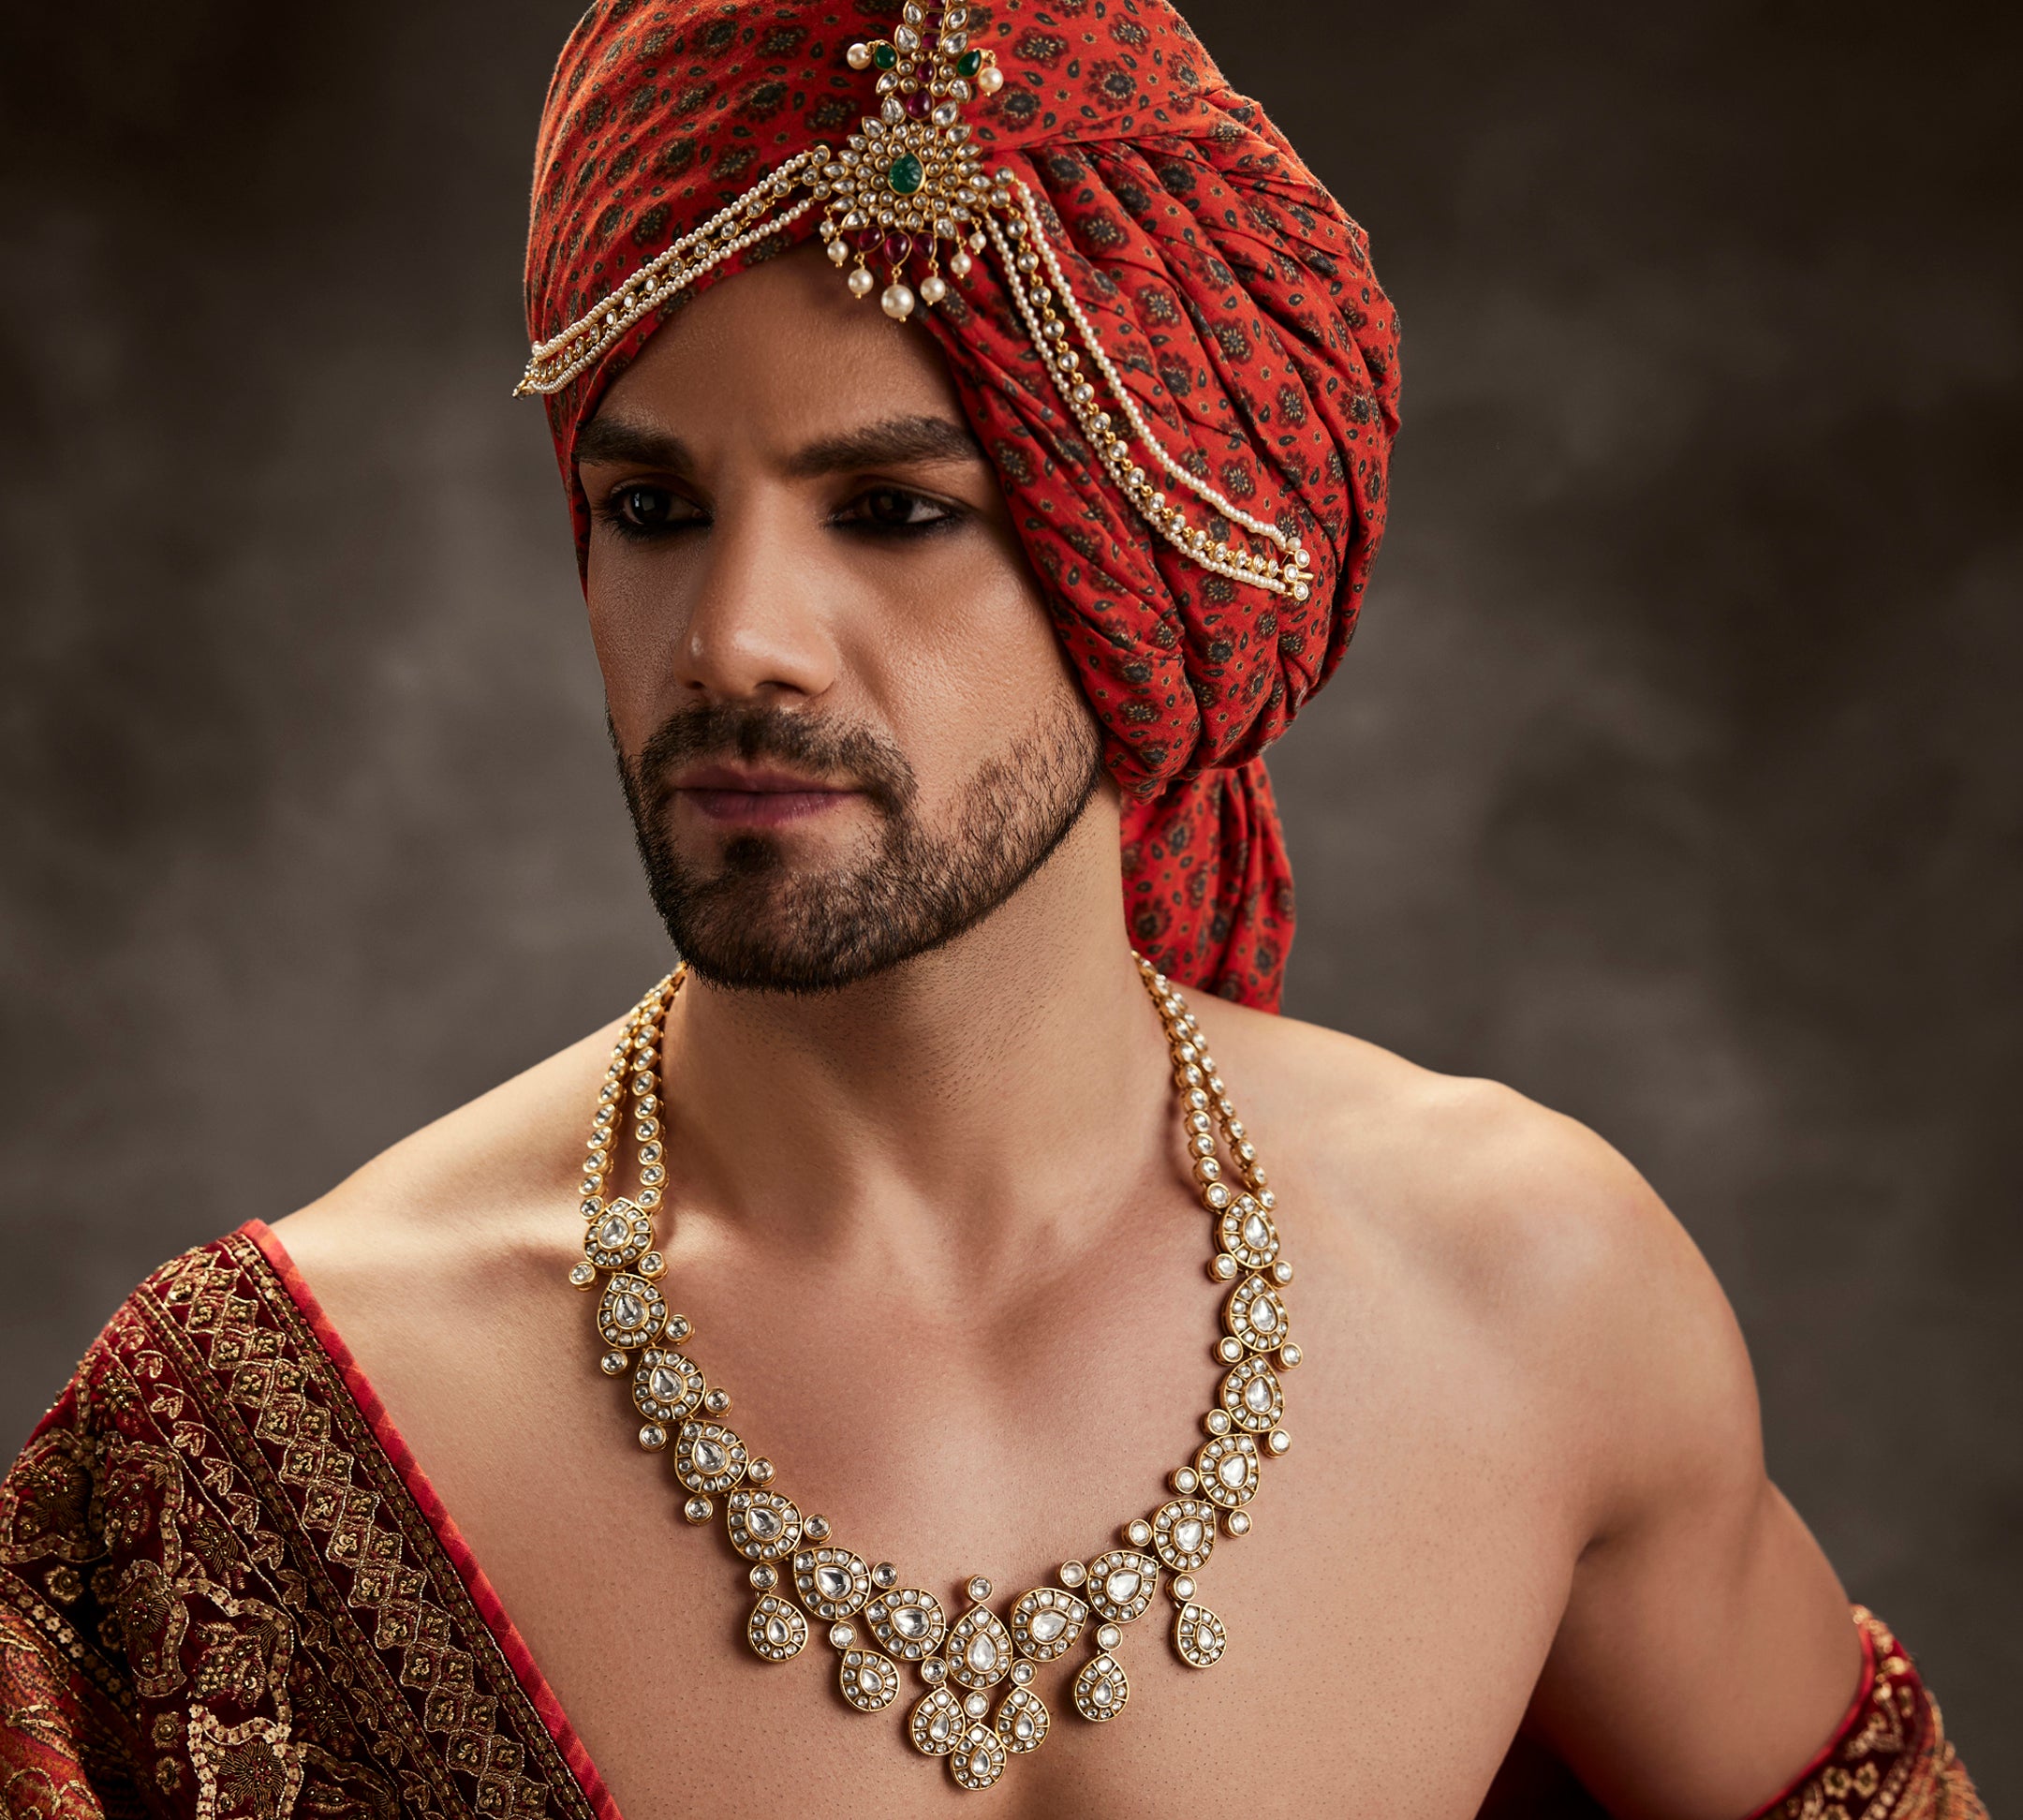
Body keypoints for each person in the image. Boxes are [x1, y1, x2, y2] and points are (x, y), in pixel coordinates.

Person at [0, 3, 1982, 1815]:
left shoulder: (1534, 1298)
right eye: (653, 510)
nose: (735, 639)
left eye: (894, 512)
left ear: (1146, 585)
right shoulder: (247, 1452)